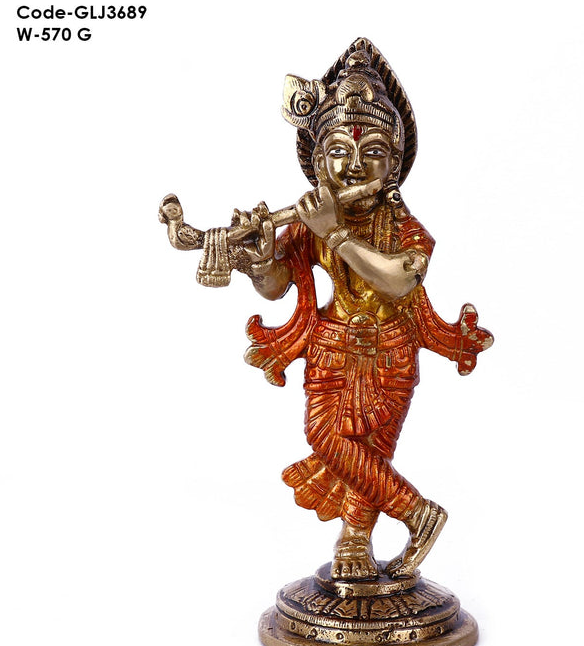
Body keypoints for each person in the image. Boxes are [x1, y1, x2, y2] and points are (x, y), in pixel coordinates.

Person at [179, 39, 493, 580]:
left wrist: (337, 233)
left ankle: (355, 540)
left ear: (393, 164)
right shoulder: (309, 223)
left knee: (371, 450)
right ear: (318, 163)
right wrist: (258, 260)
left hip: (391, 352)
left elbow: (399, 279)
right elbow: (278, 286)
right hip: (329, 349)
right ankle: (418, 513)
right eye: (339, 152)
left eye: (371, 151)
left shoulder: (403, 227)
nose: (353, 167)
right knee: (325, 437)